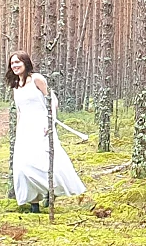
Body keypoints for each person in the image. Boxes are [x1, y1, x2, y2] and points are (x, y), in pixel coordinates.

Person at [6, 51, 86, 213]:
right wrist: (18, 131)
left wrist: (50, 123)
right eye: (12, 63)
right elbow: (20, 111)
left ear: (26, 63)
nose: (15, 65)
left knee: (42, 163)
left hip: (42, 126)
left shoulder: (37, 79)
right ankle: (34, 204)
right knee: (22, 167)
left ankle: (51, 191)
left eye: (18, 62)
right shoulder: (16, 85)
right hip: (25, 130)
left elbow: (52, 100)